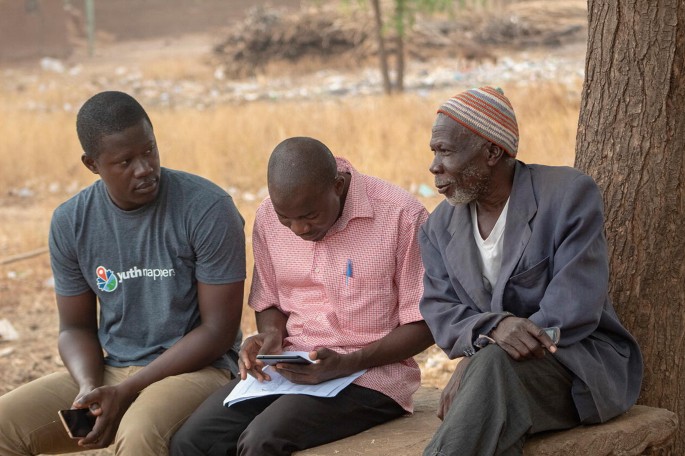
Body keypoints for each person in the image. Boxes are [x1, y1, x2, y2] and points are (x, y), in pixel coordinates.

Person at [0, 91, 246, 455]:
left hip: (198, 370)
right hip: (111, 371)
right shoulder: (72, 222)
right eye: (125, 161)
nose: (145, 168)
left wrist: (128, 390)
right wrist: (87, 387)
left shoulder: (206, 208)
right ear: (92, 164)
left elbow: (218, 331)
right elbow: (75, 328)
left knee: (138, 438)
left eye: (149, 150)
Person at [170, 136, 434, 456]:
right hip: (292, 369)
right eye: (287, 219)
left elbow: (424, 324)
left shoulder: (400, 215)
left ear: (337, 186)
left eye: (309, 215)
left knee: (260, 441)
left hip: (369, 376)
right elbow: (271, 301)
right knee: (193, 440)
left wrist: (348, 363)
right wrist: (270, 337)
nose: (298, 229)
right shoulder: (268, 216)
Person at [419, 86, 643, 455]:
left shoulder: (568, 194)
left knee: (491, 371)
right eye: (433, 152)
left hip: (575, 365)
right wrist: (493, 334)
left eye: (445, 151)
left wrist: (485, 355)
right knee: (496, 420)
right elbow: (441, 312)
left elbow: (575, 305)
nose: (434, 166)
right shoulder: (438, 227)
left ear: (492, 151)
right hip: (498, 378)